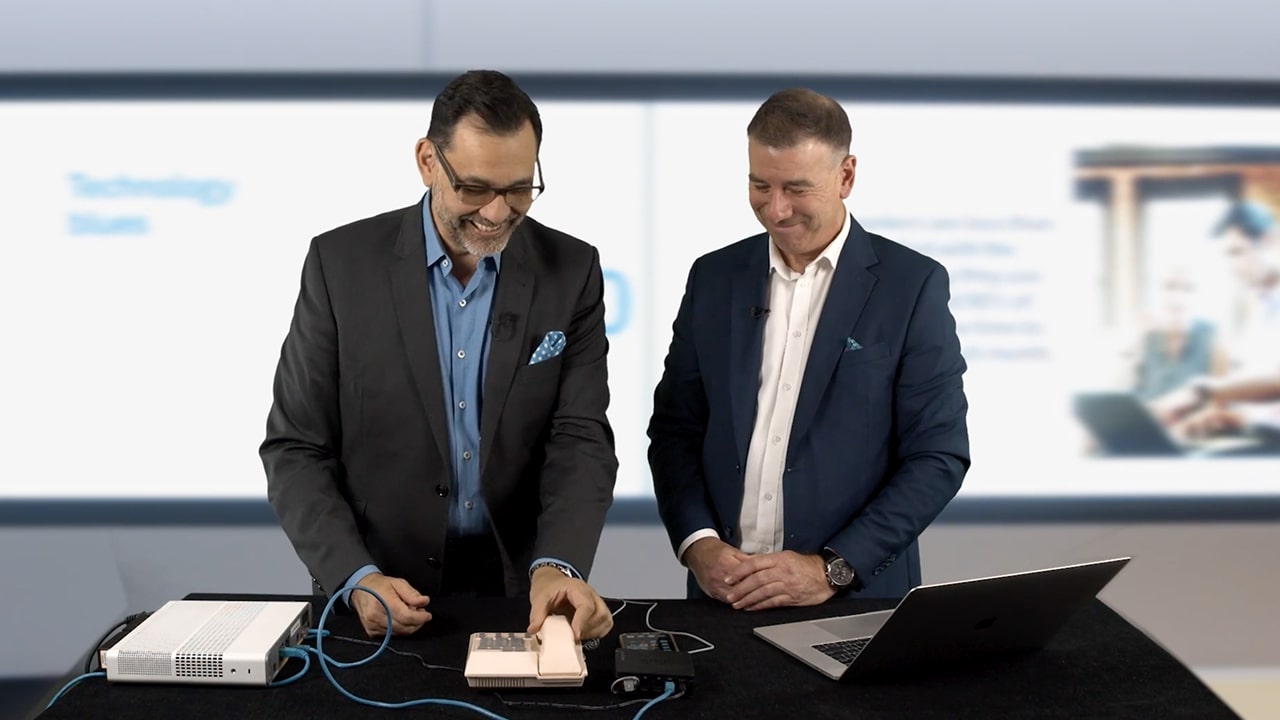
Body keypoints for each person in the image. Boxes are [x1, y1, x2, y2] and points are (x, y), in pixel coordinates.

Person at [260, 70, 616, 640]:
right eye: (474, 189)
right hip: (379, 585)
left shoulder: (572, 271)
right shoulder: (339, 265)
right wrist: (354, 576)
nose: (497, 213)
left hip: (519, 584)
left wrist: (558, 565)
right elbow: (296, 447)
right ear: (428, 161)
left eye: (518, 189)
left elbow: (579, 435)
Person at [648, 88, 970, 608]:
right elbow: (675, 429)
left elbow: (938, 456)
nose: (776, 210)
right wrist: (697, 544)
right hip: (722, 601)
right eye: (760, 185)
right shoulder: (713, 277)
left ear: (846, 176)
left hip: (856, 602)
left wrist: (834, 569)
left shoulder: (913, 286)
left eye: (797, 188)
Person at [1152, 200, 1280, 434]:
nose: (1232, 266)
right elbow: (1261, 399)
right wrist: (1226, 417)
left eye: (1237, 252)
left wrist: (1202, 391)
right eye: (1227, 256)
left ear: (1270, 241)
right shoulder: (1260, 309)